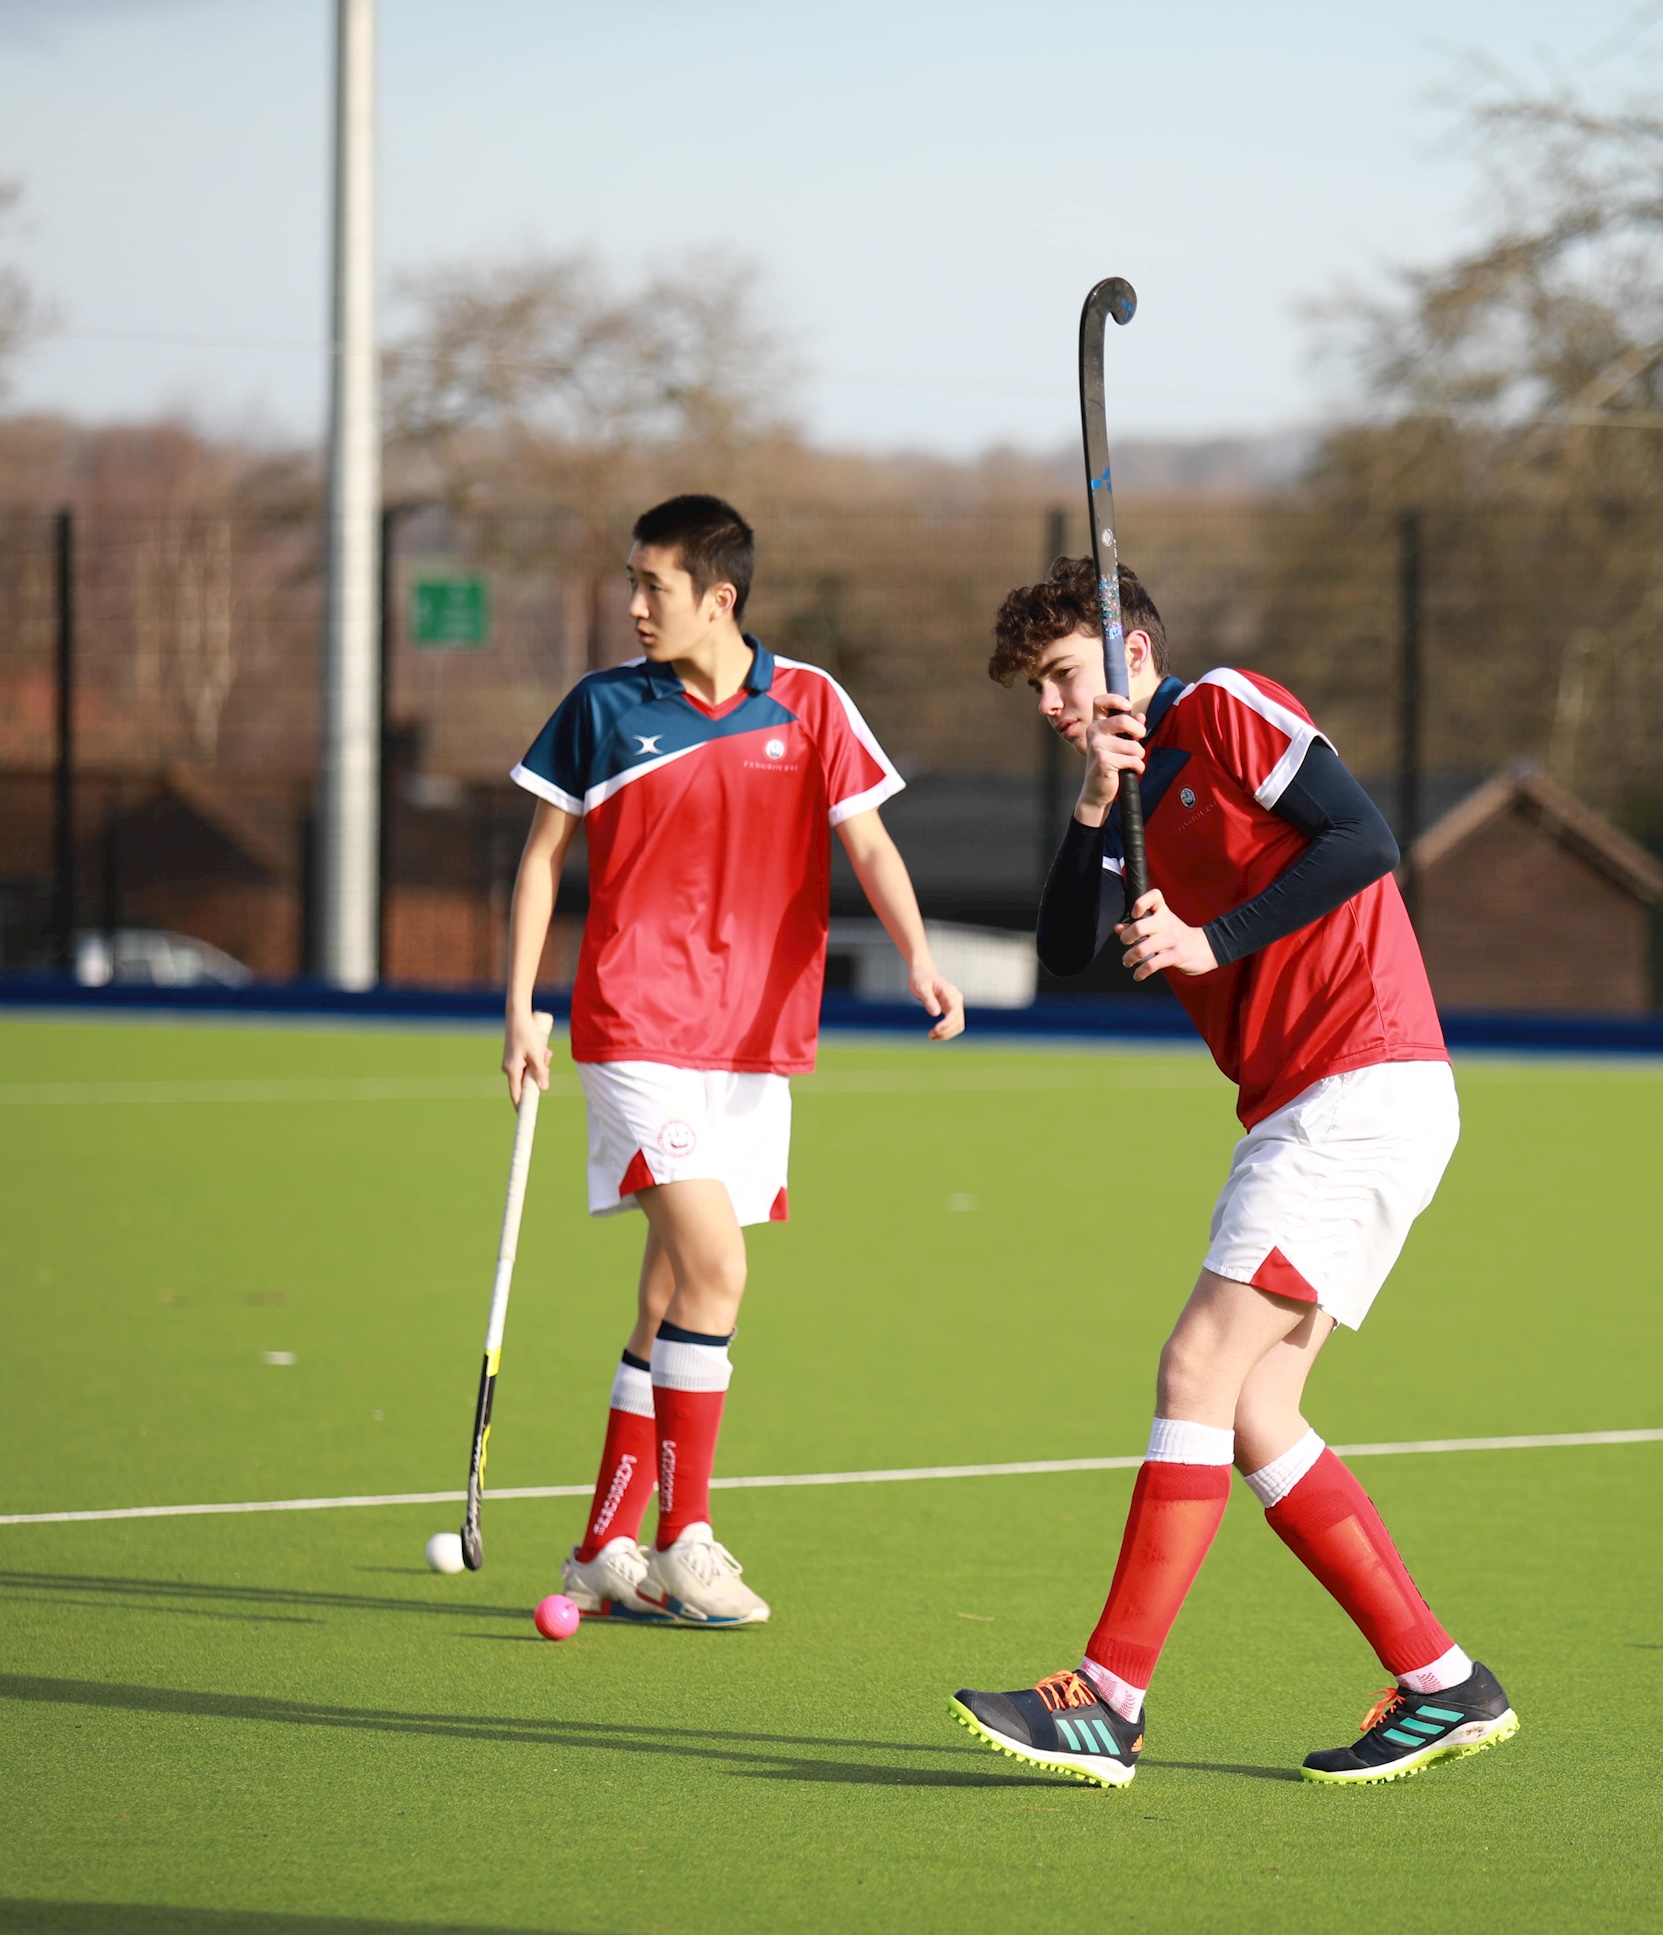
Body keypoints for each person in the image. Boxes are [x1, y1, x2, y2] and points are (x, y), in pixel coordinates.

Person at [947, 555, 1515, 1789]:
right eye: (1037, 691)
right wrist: (1096, 803)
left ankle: (1108, 1695)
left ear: (1131, 652)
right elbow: (1058, 952)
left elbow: (1366, 839)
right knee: (1256, 1409)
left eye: (1059, 675)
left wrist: (1213, 934)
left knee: (1198, 1364)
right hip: (1304, 1104)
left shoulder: (1221, 708)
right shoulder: (1134, 794)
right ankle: (1441, 1679)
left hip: (1356, 1082)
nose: (1048, 705)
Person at [504, 494, 964, 1628]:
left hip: (757, 1042)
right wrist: (518, 1007)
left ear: (721, 597)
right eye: (631, 582)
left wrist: (920, 955)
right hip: (634, 1028)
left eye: (652, 585)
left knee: (669, 1289)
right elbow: (542, 858)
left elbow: (867, 836)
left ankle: (605, 1540)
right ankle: (686, 1535)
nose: (633, 605)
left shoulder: (810, 702)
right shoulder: (604, 706)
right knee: (716, 1270)